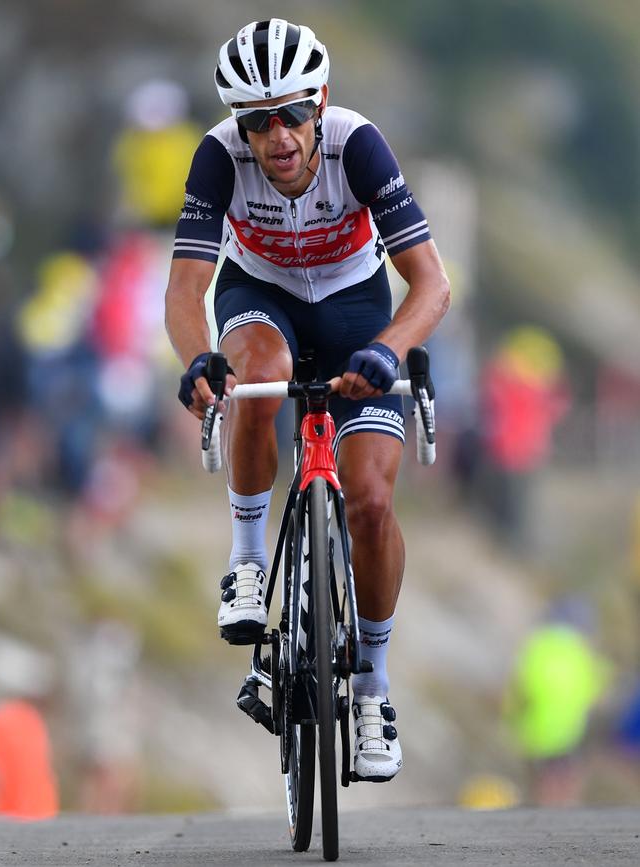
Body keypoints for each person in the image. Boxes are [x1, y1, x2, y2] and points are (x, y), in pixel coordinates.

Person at [165, 19, 450, 782]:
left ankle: (372, 689)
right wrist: (197, 355)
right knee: (260, 371)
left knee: (369, 501)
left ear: (320, 102)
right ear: (240, 126)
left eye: (292, 113)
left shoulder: (357, 146)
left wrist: (387, 350)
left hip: (357, 306)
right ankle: (250, 562)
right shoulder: (218, 157)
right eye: (258, 121)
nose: (279, 135)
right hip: (262, 296)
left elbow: (431, 284)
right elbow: (186, 288)